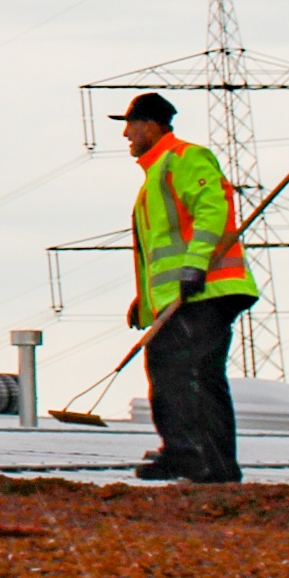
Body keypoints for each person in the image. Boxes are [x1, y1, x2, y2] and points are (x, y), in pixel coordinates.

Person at [114, 91, 259, 483]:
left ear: (150, 125)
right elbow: (164, 252)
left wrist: (195, 268)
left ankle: (194, 459)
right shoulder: (157, 173)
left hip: (206, 290)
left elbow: (213, 207)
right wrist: (145, 303)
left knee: (183, 370)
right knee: (184, 371)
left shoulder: (183, 158)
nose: (126, 134)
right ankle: (202, 460)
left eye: (130, 125)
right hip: (188, 294)